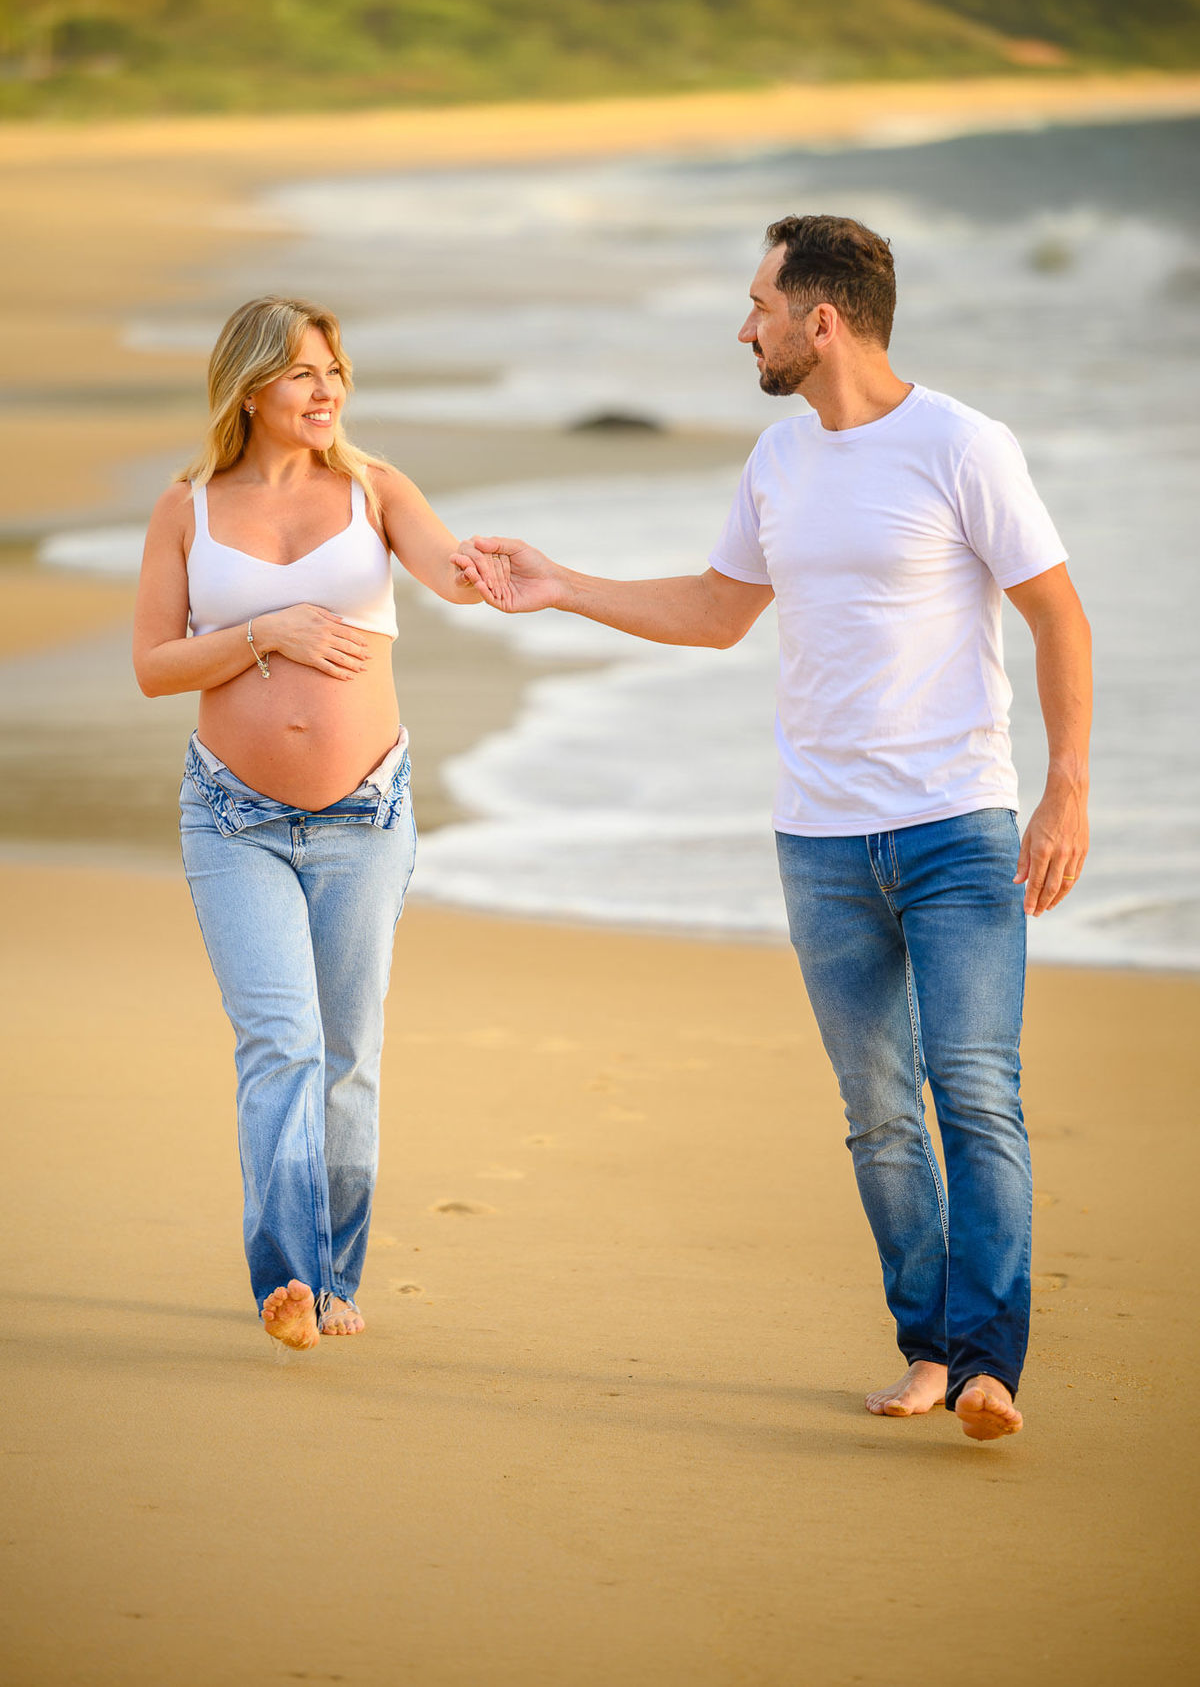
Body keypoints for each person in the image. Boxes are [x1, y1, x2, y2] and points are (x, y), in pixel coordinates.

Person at [452, 214, 1092, 1441]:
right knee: (878, 1109)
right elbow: (714, 610)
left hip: (960, 823)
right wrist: (561, 584)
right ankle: (926, 1348)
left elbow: (1056, 614)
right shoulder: (778, 460)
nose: (744, 325)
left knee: (975, 1090)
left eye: (758, 304)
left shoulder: (962, 445)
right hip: (821, 841)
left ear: (823, 319)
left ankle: (989, 1362)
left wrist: (1066, 789)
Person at [134, 295, 503, 1351]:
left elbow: (446, 572)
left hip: (365, 815)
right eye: (303, 371)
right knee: (280, 1043)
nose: (327, 388)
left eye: (335, 369)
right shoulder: (188, 507)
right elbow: (155, 666)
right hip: (232, 815)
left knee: (347, 1054)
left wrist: (487, 574)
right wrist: (268, 631)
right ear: (250, 386)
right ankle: (286, 1278)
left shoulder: (376, 490)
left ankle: (338, 1277)